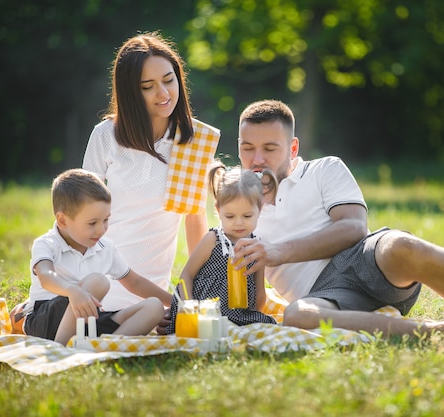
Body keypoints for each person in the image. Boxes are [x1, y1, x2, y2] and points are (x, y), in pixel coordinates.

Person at [230, 99, 444, 348]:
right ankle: (439, 329)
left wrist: (277, 251)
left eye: (269, 148)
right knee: (296, 315)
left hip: (364, 260)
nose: (257, 159)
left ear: (292, 149)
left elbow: (353, 228)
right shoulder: (238, 208)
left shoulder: (324, 169)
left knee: (401, 244)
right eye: (247, 148)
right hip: (324, 298)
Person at [82, 31, 219, 311]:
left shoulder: (192, 139)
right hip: (96, 279)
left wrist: (199, 289)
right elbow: (79, 212)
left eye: (169, 80)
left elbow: (195, 219)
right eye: (148, 86)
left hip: (151, 291)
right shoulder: (106, 135)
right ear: (131, 92)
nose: (164, 93)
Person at [23, 168, 172, 346]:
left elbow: (135, 283)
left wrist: (177, 303)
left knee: (154, 307)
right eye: (92, 223)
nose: (101, 229)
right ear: (63, 221)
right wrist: (73, 291)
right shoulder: (47, 243)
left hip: (87, 321)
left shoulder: (105, 247)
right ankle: (60, 348)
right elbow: (46, 276)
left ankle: (107, 347)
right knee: (98, 282)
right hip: (47, 320)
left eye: (106, 220)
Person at [164, 163, 278, 334]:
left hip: (239, 313)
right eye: (230, 216)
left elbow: (259, 292)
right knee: (212, 330)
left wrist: (253, 315)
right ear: (218, 210)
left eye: (247, 216)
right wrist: (189, 309)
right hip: (205, 311)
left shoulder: (256, 246)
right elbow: (186, 275)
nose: (239, 222)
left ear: (259, 210)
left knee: (269, 327)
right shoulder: (213, 239)